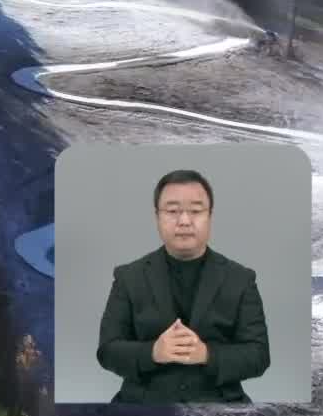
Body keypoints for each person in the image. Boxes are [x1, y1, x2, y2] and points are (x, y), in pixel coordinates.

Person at [96, 169, 270, 403]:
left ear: (210, 216)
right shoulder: (129, 277)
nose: (185, 221)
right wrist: (153, 352)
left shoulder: (240, 279)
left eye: (196, 211)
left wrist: (206, 354)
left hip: (221, 405)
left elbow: (259, 356)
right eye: (173, 211)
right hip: (143, 404)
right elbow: (107, 350)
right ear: (157, 216)